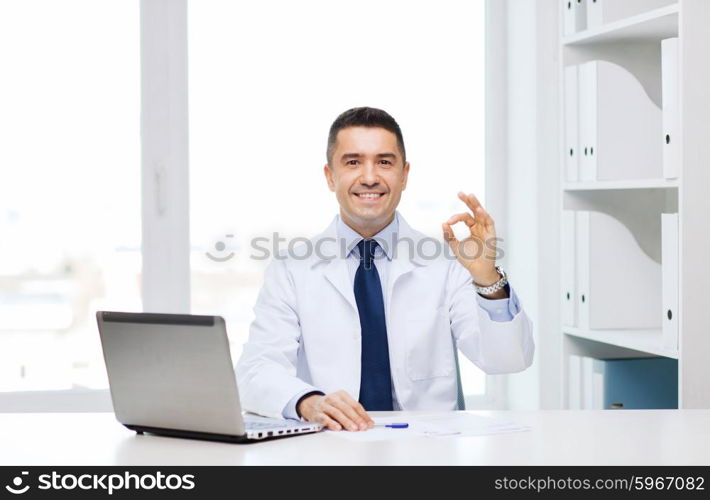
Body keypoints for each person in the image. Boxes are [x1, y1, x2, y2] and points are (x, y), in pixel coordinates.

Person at [236, 107, 534, 431]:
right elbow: (256, 370)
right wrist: (310, 402)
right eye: (353, 162)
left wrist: (485, 277)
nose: (369, 177)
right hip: (329, 445)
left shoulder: (446, 263)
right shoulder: (292, 269)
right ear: (329, 176)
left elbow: (508, 360)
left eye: (384, 162)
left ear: (404, 175)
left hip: (427, 451)